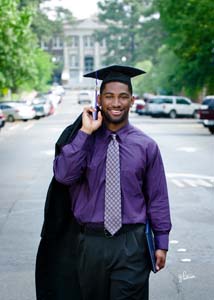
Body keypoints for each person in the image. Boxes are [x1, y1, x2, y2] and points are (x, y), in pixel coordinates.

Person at [51, 65, 172, 300]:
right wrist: (85, 133)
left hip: (132, 244)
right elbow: (63, 176)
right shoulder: (81, 140)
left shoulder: (146, 146)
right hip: (91, 243)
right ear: (99, 99)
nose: (116, 103)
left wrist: (162, 242)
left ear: (132, 101)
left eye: (123, 97)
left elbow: (158, 197)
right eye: (109, 96)